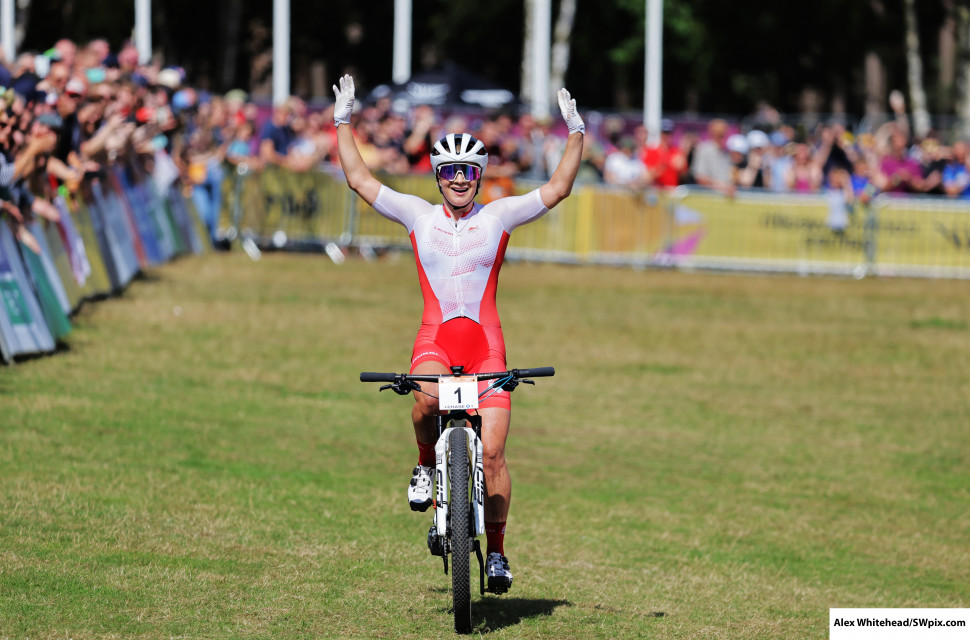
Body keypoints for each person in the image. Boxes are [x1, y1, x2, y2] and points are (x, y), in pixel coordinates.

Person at [332, 73, 584, 594]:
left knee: (492, 455)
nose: (459, 179)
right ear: (439, 176)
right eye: (450, 172)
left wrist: (576, 132)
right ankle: (425, 465)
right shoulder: (417, 216)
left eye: (468, 171)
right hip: (436, 339)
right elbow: (360, 180)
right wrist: (342, 121)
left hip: (487, 344)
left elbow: (558, 189)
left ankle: (497, 554)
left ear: (479, 174)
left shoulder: (499, 216)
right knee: (423, 402)